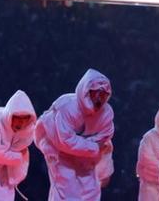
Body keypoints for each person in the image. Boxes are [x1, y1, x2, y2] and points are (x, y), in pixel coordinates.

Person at [35, 69, 115, 200]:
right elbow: (65, 141)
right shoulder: (67, 107)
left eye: (104, 94)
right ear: (87, 91)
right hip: (56, 147)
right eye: (97, 93)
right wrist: (92, 146)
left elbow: (105, 138)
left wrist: (85, 146)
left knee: (91, 189)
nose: (100, 98)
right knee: (66, 186)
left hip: (85, 156)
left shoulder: (106, 114)